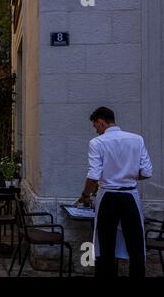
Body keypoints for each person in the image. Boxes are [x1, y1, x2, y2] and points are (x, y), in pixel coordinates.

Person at [78, 107, 153, 277]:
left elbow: (94, 174)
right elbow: (147, 172)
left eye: (95, 126)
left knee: (106, 243)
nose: (96, 130)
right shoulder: (137, 139)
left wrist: (85, 195)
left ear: (101, 122)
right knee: (135, 243)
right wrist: (128, 176)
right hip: (130, 196)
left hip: (108, 196)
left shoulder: (97, 143)